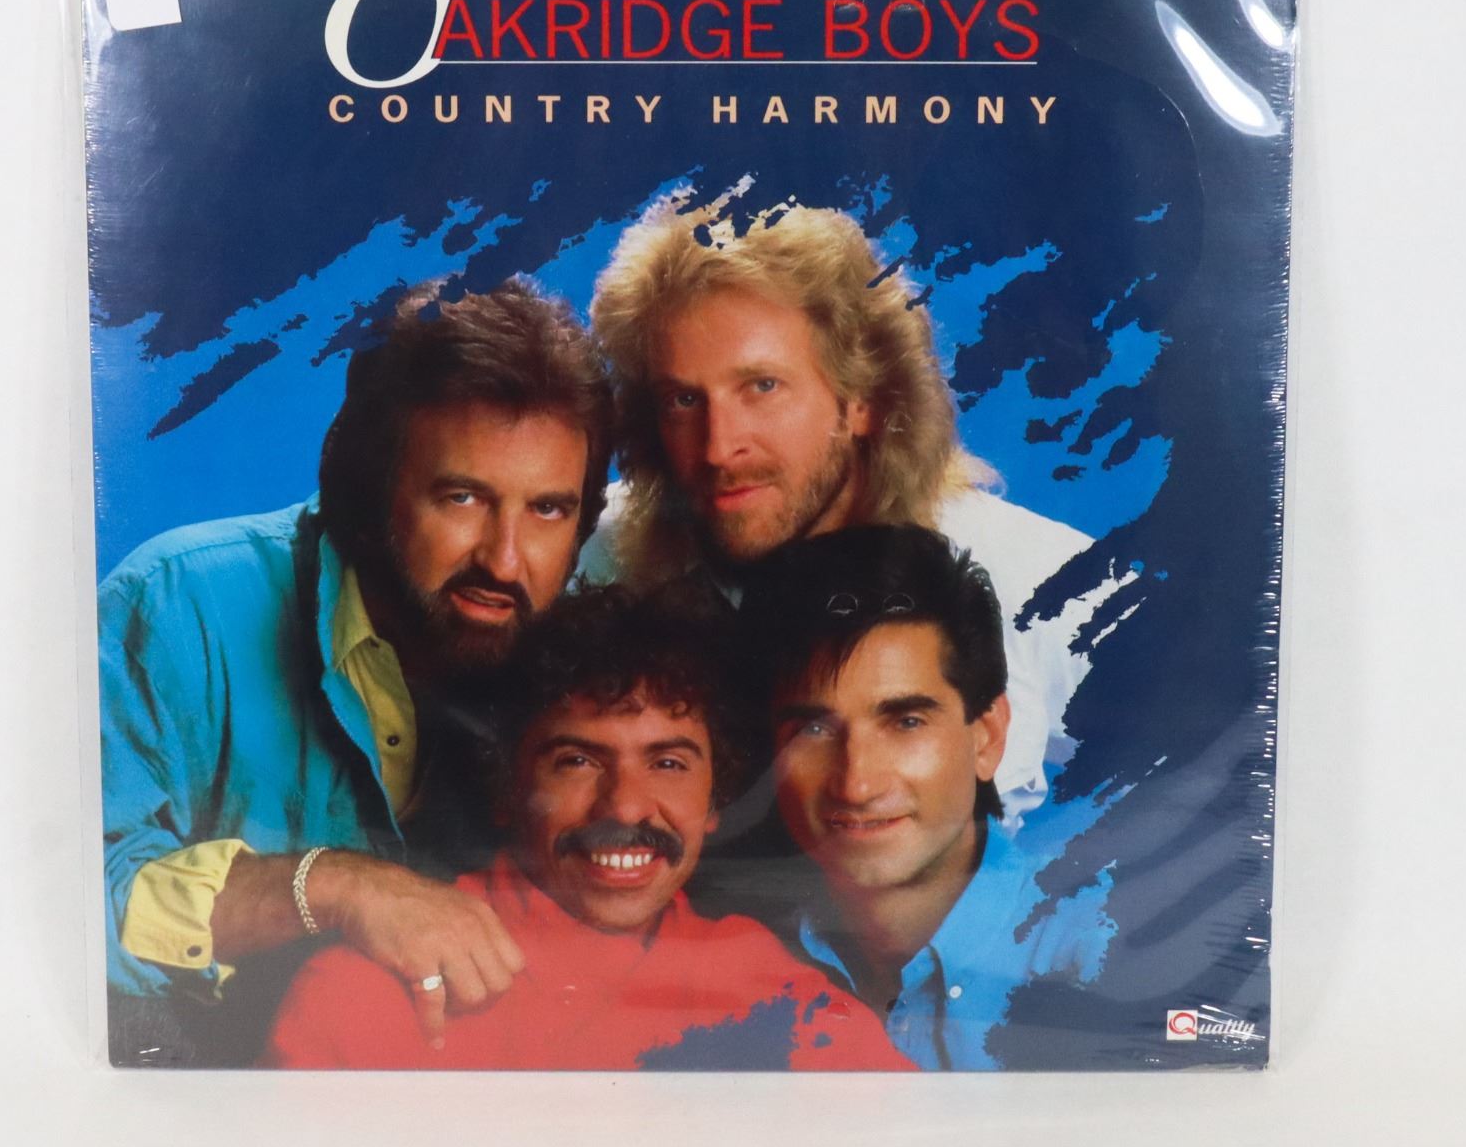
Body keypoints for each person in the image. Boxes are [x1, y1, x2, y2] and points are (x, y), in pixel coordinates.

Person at [98, 279, 613, 1064]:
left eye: (548, 509)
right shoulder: (174, 604)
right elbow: (70, 904)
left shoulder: (583, 648)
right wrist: (334, 886)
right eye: (463, 497)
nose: (505, 560)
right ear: (372, 484)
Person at [585, 199, 1115, 829]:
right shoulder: (594, 555)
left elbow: (1184, 788)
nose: (719, 447)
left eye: (762, 386)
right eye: (682, 399)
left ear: (864, 398)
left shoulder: (1048, 586)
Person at [264, 583, 913, 1071]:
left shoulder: (774, 988)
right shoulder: (365, 992)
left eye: (667, 763)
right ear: (507, 786)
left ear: (716, 798)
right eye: (577, 761)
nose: (625, 808)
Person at [739, 525, 1116, 1071]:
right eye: (813, 730)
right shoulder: (743, 966)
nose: (856, 784)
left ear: (987, 737)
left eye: (906, 722)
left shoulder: (1105, 953)